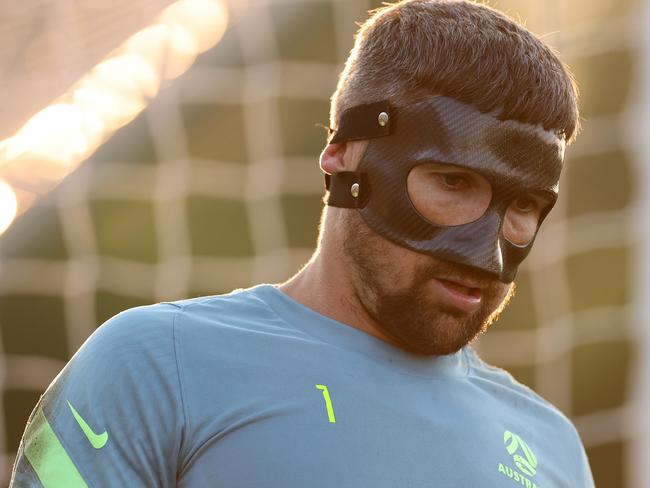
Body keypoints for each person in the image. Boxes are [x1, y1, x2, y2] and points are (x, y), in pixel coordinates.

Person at [11, 0, 595, 486]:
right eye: (452, 182)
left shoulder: (552, 450)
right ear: (343, 155)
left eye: (524, 205)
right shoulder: (155, 365)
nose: (485, 248)